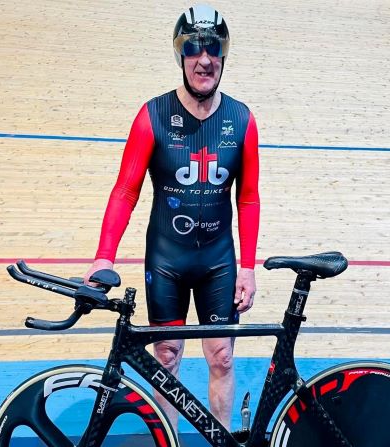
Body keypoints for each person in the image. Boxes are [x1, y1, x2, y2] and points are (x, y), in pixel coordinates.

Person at [84, 4, 260, 430]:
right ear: (181, 56)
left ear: (224, 55)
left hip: (218, 259)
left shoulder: (242, 119)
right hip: (167, 258)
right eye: (195, 48)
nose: (205, 59)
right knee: (166, 357)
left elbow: (249, 198)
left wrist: (249, 268)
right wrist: (103, 257)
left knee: (221, 357)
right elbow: (125, 191)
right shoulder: (153, 116)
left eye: (213, 49)